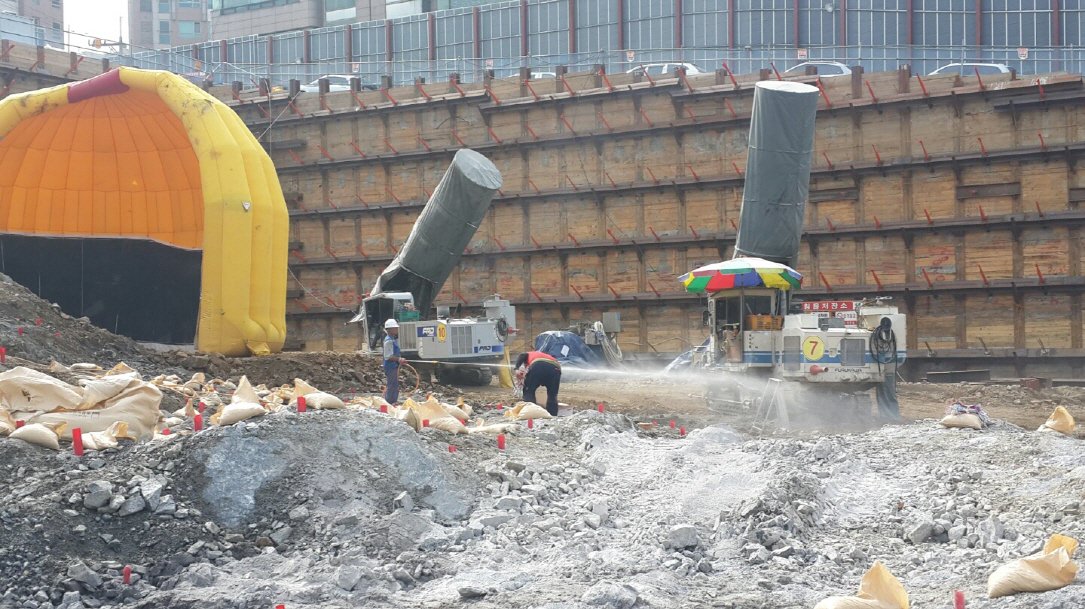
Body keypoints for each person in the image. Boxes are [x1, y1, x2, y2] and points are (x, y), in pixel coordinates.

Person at [513, 350, 562, 416]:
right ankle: (552, 415)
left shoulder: (530, 354)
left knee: (529, 392)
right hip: (555, 368)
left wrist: (517, 369)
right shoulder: (547, 356)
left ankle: (530, 413)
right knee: (552, 395)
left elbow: (522, 355)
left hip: (538, 366)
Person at [382, 318, 404, 404]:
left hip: (394, 366)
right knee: (392, 385)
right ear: (390, 329)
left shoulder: (392, 339)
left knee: (394, 384)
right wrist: (399, 359)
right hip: (390, 366)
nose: (397, 329)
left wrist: (399, 359)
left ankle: (393, 401)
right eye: (395, 328)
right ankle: (389, 403)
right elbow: (387, 356)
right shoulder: (388, 341)